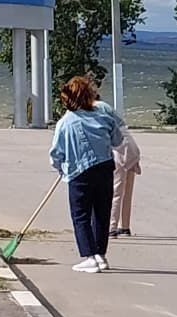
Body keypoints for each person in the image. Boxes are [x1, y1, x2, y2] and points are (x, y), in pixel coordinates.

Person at [49, 76, 121, 273]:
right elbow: (117, 140)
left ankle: (90, 256)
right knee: (101, 213)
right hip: (105, 168)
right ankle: (101, 255)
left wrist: (60, 167)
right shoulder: (103, 116)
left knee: (80, 214)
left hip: (79, 173)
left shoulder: (65, 122)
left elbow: (56, 153)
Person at [109, 115, 141, 238]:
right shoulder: (108, 110)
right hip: (132, 149)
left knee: (116, 191)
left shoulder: (96, 113)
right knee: (127, 191)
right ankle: (125, 227)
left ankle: (112, 228)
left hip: (120, 151)